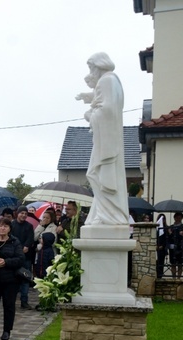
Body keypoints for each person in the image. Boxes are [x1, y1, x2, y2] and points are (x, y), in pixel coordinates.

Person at [76, 52, 129, 226]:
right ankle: (103, 213)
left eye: (92, 68)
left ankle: (109, 216)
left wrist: (90, 115)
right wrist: (90, 97)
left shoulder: (107, 80)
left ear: (99, 66)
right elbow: (106, 100)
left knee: (95, 174)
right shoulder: (112, 81)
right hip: (107, 138)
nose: (91, 72)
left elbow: (108, 110)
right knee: (96, 175)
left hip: (106, 140)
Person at [10, 206, 35, 310]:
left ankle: (24, 301)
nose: (24, 215)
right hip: (14, 256)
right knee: (13, 279)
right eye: (22, 213)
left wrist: (26, 246)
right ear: (17, 213)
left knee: (25, 278)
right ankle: (11, 301)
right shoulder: (11, 225)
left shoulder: (29, 226)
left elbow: (30, 238)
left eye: (25, 214)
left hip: (26, 256)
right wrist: (18, 248)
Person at [33, 210, 57, 278]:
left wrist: (39, 246)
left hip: (48, 253)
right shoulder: (41, 225)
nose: (45, 219)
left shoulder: (53, 227)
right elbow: (34, 237)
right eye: (44, 217)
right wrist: (40, 226)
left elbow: (53, 242)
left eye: (47, 218)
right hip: (40, 253)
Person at [167, 212, 183, 279]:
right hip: (172, 247)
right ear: (174, 218)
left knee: (180, 263)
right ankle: (173, 277)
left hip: (180, 247)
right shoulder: (171, 227)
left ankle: (179, 278)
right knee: (173, 263)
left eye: (180, 218)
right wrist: (169, 233)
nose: (178, 219)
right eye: (177, 217)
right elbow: (168, 237)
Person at [156, 213, 168, 279]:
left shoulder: (166, 228)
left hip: (162, 248)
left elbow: (166, 238)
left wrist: (162, 246)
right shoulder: (156, 227)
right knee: (156, 262)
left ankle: (160, 275)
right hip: (156, 246)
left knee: (161, 262)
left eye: (163, 219)